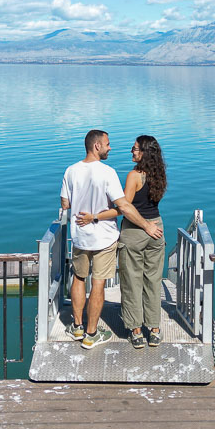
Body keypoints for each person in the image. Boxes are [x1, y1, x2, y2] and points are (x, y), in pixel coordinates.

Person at [60, 129, 163, 350]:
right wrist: (147, 225)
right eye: (107, 144)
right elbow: (123, 205)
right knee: (101, 283)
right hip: (107, 236)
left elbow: (65, 204)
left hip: (80, 236)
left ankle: (79, 327)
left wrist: (85, 212)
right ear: (97, 146)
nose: (110, 148)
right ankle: (94, 333)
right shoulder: (109, 173)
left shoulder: (70, 171)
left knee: (79, 278)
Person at [105, 135, 167, 348]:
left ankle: (137, 330)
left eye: (135, 149)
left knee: (132, 282)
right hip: (157, 227)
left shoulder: (134, 176)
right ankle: (155, 328)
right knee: (153, 280)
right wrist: (150, 226)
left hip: (135, 230)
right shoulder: (159, 174)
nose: (131, 152)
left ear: (144, 152)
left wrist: (98, 214)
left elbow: (125, 207)